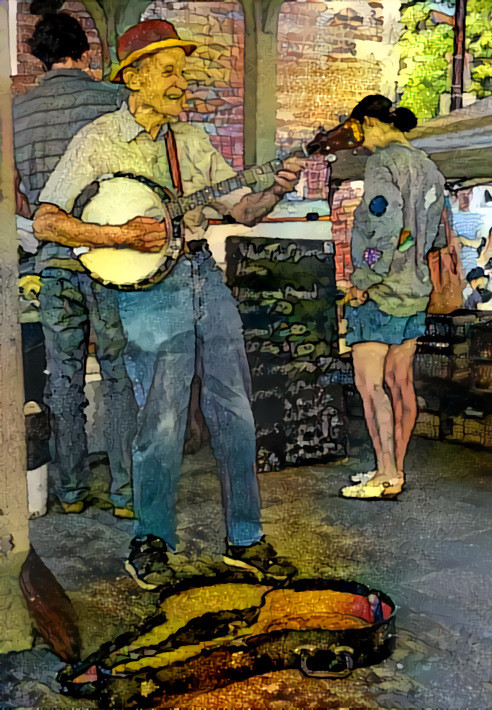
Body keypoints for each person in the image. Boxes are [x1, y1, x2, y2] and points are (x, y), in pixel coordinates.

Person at [33, 19, 303, 588]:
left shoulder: (194, 141)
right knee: (161, 421)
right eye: (171, 71)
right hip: (150, 293)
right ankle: (151, 540)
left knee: (236, 411)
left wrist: (278, 185)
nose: (184, 82)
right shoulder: (98, 140)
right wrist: (120, 237)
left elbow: (244, 210)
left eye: (183, 70)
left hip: (205, 273)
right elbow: (47, 220)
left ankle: (245, 539)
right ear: (134, 76)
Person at [13, 12, 137, 516]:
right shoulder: (113, 100)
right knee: (117, 373)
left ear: (37, 57)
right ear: (85, 51)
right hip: (112, 259)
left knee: (62, 376)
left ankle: (70, 492)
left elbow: (17, 198)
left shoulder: (16, 112)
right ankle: (127, 494)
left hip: (53, 261)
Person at [339, 95, 445, 500]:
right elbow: (433, 236)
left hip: (381, 293)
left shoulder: (382, 164)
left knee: (370, 387)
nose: (358, 142)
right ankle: (394, 470)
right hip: (415, 290)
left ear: (369, 122)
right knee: (401, 385)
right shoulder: (429, 168)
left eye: (356, 131)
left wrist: (364, 278)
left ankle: (384, 474)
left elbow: (385, 229)